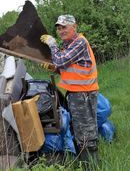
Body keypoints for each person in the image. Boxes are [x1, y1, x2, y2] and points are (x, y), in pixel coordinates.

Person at [40, 15, 99, 168]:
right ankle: (85, 164)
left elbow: (60, 60)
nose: (61, 31)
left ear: (74, 27)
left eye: (64, 27)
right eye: (58, 28)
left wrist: (52, 44)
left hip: (83, 94)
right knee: (79, 130)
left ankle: (92, 166)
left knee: (86, 132)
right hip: (76, 93)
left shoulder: (80, 42)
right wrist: (55, 69)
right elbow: (67, 68)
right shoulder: (70, 45)